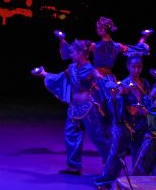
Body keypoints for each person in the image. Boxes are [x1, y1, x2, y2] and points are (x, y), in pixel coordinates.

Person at [32, 39, 112, 175]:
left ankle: (111, 164)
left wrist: (110, 86)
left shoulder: (90, 69)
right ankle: (74, 166)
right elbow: (60, 78)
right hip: (74, 107)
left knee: (97, 136)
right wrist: (45, 74)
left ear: (81, 53)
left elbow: (101, 81)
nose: (71, 54)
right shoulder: (72, 68)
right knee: (71, 134)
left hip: (88, 108)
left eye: (73, 52)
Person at [93, 55, 151, 190]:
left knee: (140, 157)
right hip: (125, 125)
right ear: (128, 67)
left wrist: (145, 109)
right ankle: (103, 184)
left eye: (139, 67)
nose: (136, 70)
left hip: (141, 125)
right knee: (116, 157)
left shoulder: (145, 83)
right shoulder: (123, 85)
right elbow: (115, 106)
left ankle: (136, 187)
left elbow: (149, 101)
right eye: (133, 67)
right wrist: (121, 104)